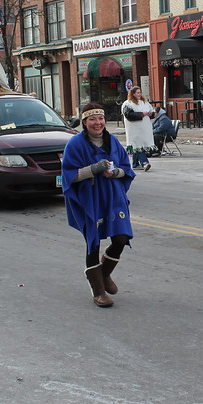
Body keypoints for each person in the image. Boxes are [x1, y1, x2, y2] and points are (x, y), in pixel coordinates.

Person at [61, 102, 136, 307]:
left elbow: (127, 170)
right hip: (90, 198)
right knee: (93, 242)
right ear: (84, 122)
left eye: (101, 118)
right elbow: (68, 176)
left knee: (121, 238)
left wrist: (114, 172)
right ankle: (98, 290)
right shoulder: (75, 144)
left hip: (113, 196)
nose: (98, 123)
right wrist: (93, 169)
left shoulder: (112, 141)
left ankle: (103, 273)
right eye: (92, 119)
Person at [121, 86, 154, 172]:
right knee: (137, 144)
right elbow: (128, 115)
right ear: (133, 94)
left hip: (144, 128)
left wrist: (151, 114)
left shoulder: (144, 102)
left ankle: (135, 164)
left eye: (140, 92)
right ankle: (145, 162)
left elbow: (152, 111)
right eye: (137, 93)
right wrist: (142, 114)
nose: (139, 94)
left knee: (136, 145)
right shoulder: (128, 104)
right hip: (134, 129)